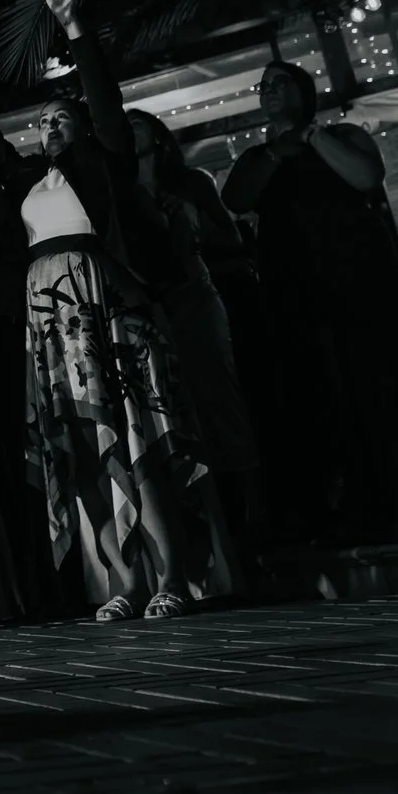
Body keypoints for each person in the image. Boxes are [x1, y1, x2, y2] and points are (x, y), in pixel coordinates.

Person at [0, 0, 233, 620]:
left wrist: (76, 30)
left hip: (112, 316)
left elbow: (103, 103)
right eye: (43, 122)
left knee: (138, 447)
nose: (50, 126)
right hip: (52, 330)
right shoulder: (27, 182)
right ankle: (124, 578)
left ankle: (173, 575)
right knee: (80, 460)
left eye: (60, 118)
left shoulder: (105, 164)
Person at [225, 57, 398, 537]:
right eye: (262, 85)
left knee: (383, 385)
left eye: (280, 82)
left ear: (304, 91)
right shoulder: (255, 158)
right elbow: (237, 200)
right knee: (322, 392)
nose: (268, 90)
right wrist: (275, 151)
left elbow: (365, 178)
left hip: (361, 281)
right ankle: (348, 504)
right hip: (296, 289)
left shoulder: (344, 136)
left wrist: (310, 138)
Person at [127, 109, 263, 533]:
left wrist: (193, 216)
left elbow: (232, 241)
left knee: (221, 404)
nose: (128, 131)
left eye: (137, 124)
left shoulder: (191, 183)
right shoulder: (118, 195)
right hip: (154, 310)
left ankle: (254, 525)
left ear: (157, 136)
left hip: (197, 299)